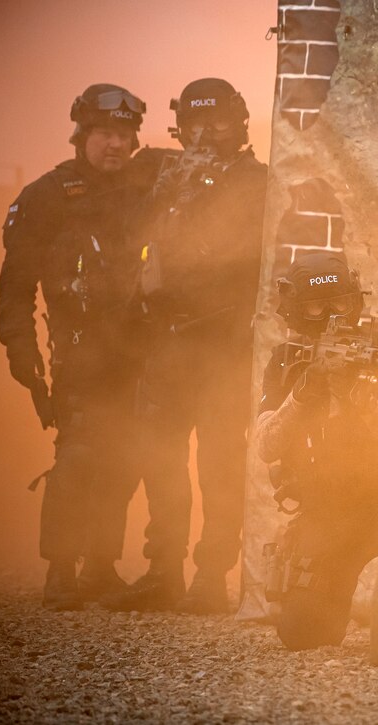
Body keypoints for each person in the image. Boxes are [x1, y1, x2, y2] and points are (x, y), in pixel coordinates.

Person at [103, 78, 268, 614]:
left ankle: (210, 578)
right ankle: (163, 570)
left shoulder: (263, 183)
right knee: (161, 460)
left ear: (240, 123)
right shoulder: (161, 178)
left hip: (224, 344)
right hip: (167, 343)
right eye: (194, 123)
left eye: (217, 121)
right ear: (179, 126)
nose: (205, 134)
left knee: (222, 463)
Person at [0, 84, 160, 610]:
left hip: (138, 350)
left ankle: (100, 566)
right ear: (82, 135)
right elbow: (16, 285)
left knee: (126, 458)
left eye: (125, 135)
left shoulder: (146, 186)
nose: (116, 144)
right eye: (106, 133)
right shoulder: (46, 196)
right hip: (78, 352)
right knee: (80, 457)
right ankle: (61, 571)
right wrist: (22, 355)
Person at [257, 252, 378, 650]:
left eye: (339, 303)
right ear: (295, 311)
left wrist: (363, 404)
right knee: (302, 631)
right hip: (326, 513)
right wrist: (303, 394)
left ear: (355, 301)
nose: (329, 315)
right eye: (315, 306)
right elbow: (265, 446)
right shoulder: (286, 362)